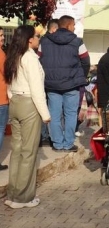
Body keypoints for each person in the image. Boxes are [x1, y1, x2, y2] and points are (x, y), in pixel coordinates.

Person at [4, 25, 51, 209]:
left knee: (17, 151)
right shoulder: (30, 57)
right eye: (37, 36)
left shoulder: (14, 55)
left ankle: (13, 194)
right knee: (29, 152)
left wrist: (12, 98)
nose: (39, 39)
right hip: (29, 103)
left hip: (15, 102)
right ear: (30, 39)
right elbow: (37, 89)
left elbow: (9, 83)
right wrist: (45, 114)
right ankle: (23, 198)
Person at [38, 15, 90, 153]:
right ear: (68, 25)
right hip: (72, 85)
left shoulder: (44, 41)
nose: (74, 28)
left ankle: (57, 144)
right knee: (71, 115)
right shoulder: (77, 41)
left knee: (54, 115)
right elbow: (86, 61)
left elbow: (38, 59)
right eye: (73, 25)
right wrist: (80, 77)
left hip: (51, 85)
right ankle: (68, 144)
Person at [40, 19, 58, 147]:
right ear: (53, 29)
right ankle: (47, 136)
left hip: (46, 81)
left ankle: (45, 136)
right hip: (48, 82)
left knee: (47, 109)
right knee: (50, 110)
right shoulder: (46, 42)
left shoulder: (43, 42)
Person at [0, 28, 7, 170]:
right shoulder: (1, 54)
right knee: (0, 129)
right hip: (1, 98)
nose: (2, 38)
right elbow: (7, 73)